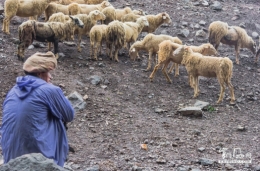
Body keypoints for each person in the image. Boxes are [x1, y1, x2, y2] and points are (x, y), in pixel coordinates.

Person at [0, 51, 74, 166]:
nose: (50, 76)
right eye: (48, 72)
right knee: (57, 117)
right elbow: (69, 115)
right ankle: (55, 163)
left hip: (10, 158)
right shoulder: (50, 90)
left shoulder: (13, 91)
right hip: (39, 161)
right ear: (40, 73)